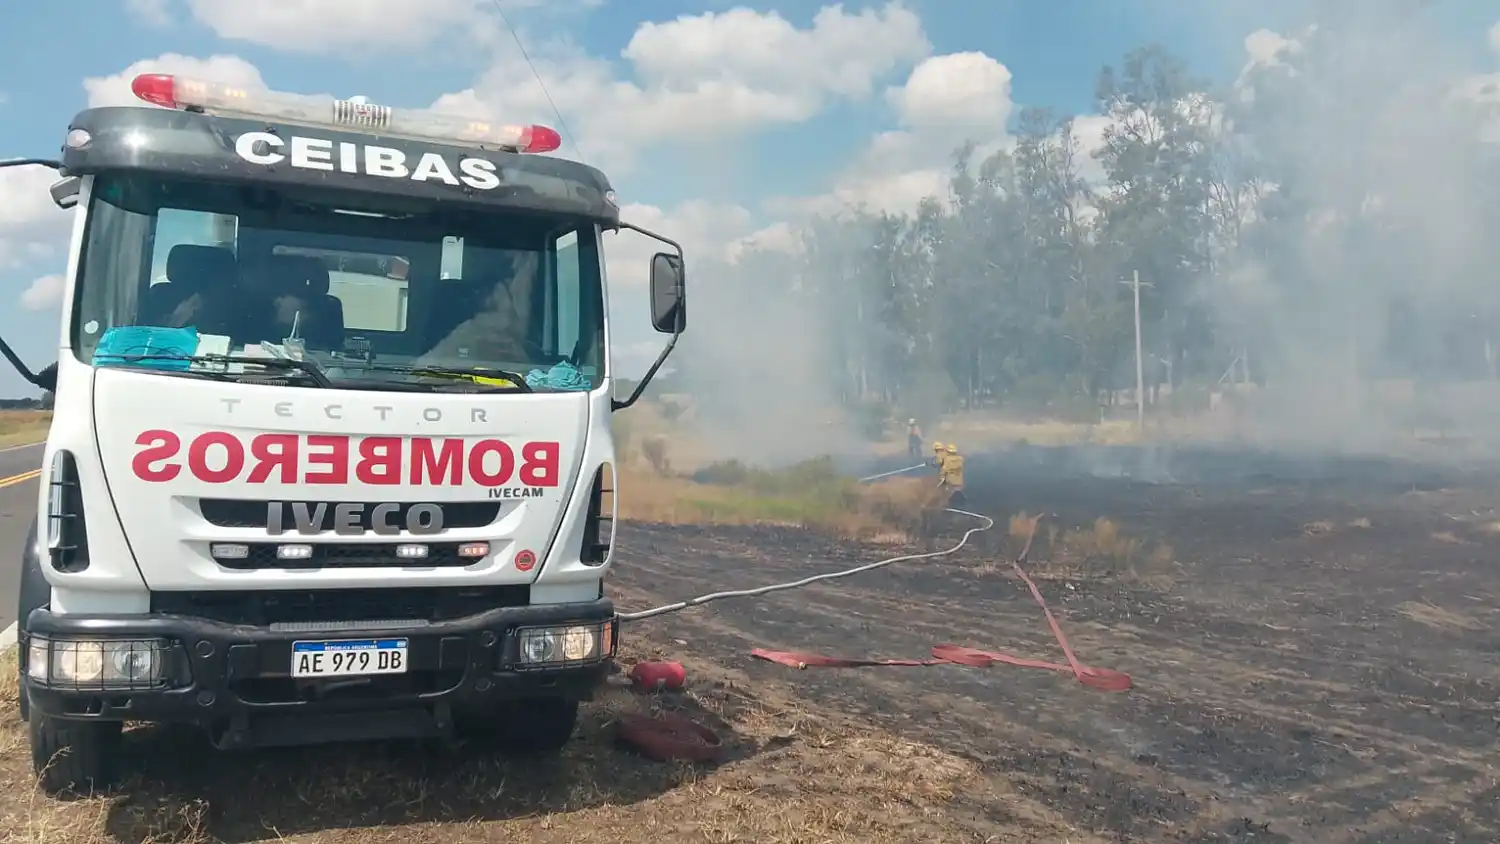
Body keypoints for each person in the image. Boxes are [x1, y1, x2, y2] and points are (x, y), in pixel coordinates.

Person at [938, 442, 965, 508]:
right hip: (959, 480)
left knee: (945, 493)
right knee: (958, 492)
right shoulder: (960, 459)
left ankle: (947, 506)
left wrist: (941, 477)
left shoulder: (947, 459)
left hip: (950, 481)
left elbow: (944, 470)